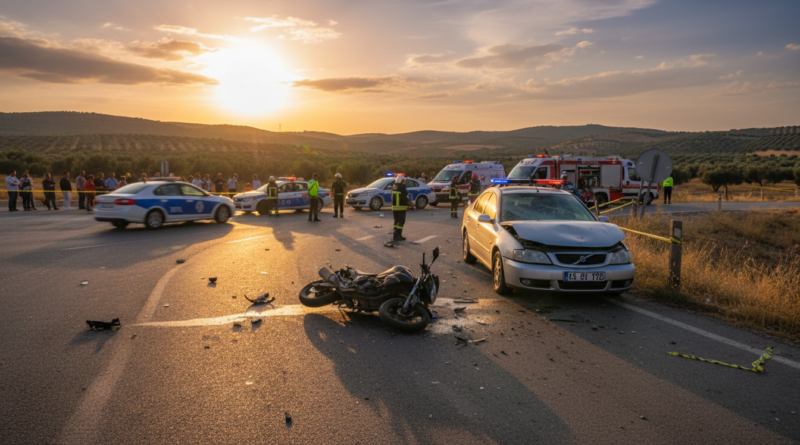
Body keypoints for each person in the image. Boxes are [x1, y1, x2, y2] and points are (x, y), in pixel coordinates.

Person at [391, 174, 413, 241]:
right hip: (401, 207)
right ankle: (397, 234)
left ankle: (397, 234)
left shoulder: (394, 186)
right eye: (403, 181)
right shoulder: (402, 187)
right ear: (401, 181)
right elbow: (404, 198)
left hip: (394, 207)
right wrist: (409, 205)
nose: (404, 182)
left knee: (396, 221)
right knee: (401, 221)